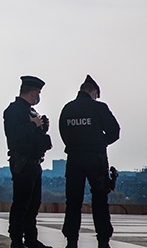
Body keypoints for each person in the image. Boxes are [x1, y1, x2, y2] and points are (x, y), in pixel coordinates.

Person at [59, 75, 120, 248]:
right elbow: (115, 132)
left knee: (73, 201)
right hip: (96, 159)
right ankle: (103, 241)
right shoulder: (99, 107)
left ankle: (71, 241)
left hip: (74, 159)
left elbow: (64, 133)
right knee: (100, 200)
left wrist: (77, 145)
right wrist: (99, 142)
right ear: (93, 91)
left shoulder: (68, 108)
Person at [3, 75, 53, 248]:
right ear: (33, 92)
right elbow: (14, 136)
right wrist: (33, 125)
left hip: (34, 162)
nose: (39, 96)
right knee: (22, 203)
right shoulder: (14, 111)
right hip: (22, 163)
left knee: (33, 203)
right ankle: (17, 240)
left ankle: (31, 238)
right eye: (38, 92)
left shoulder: (31, 112)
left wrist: (42, 126)